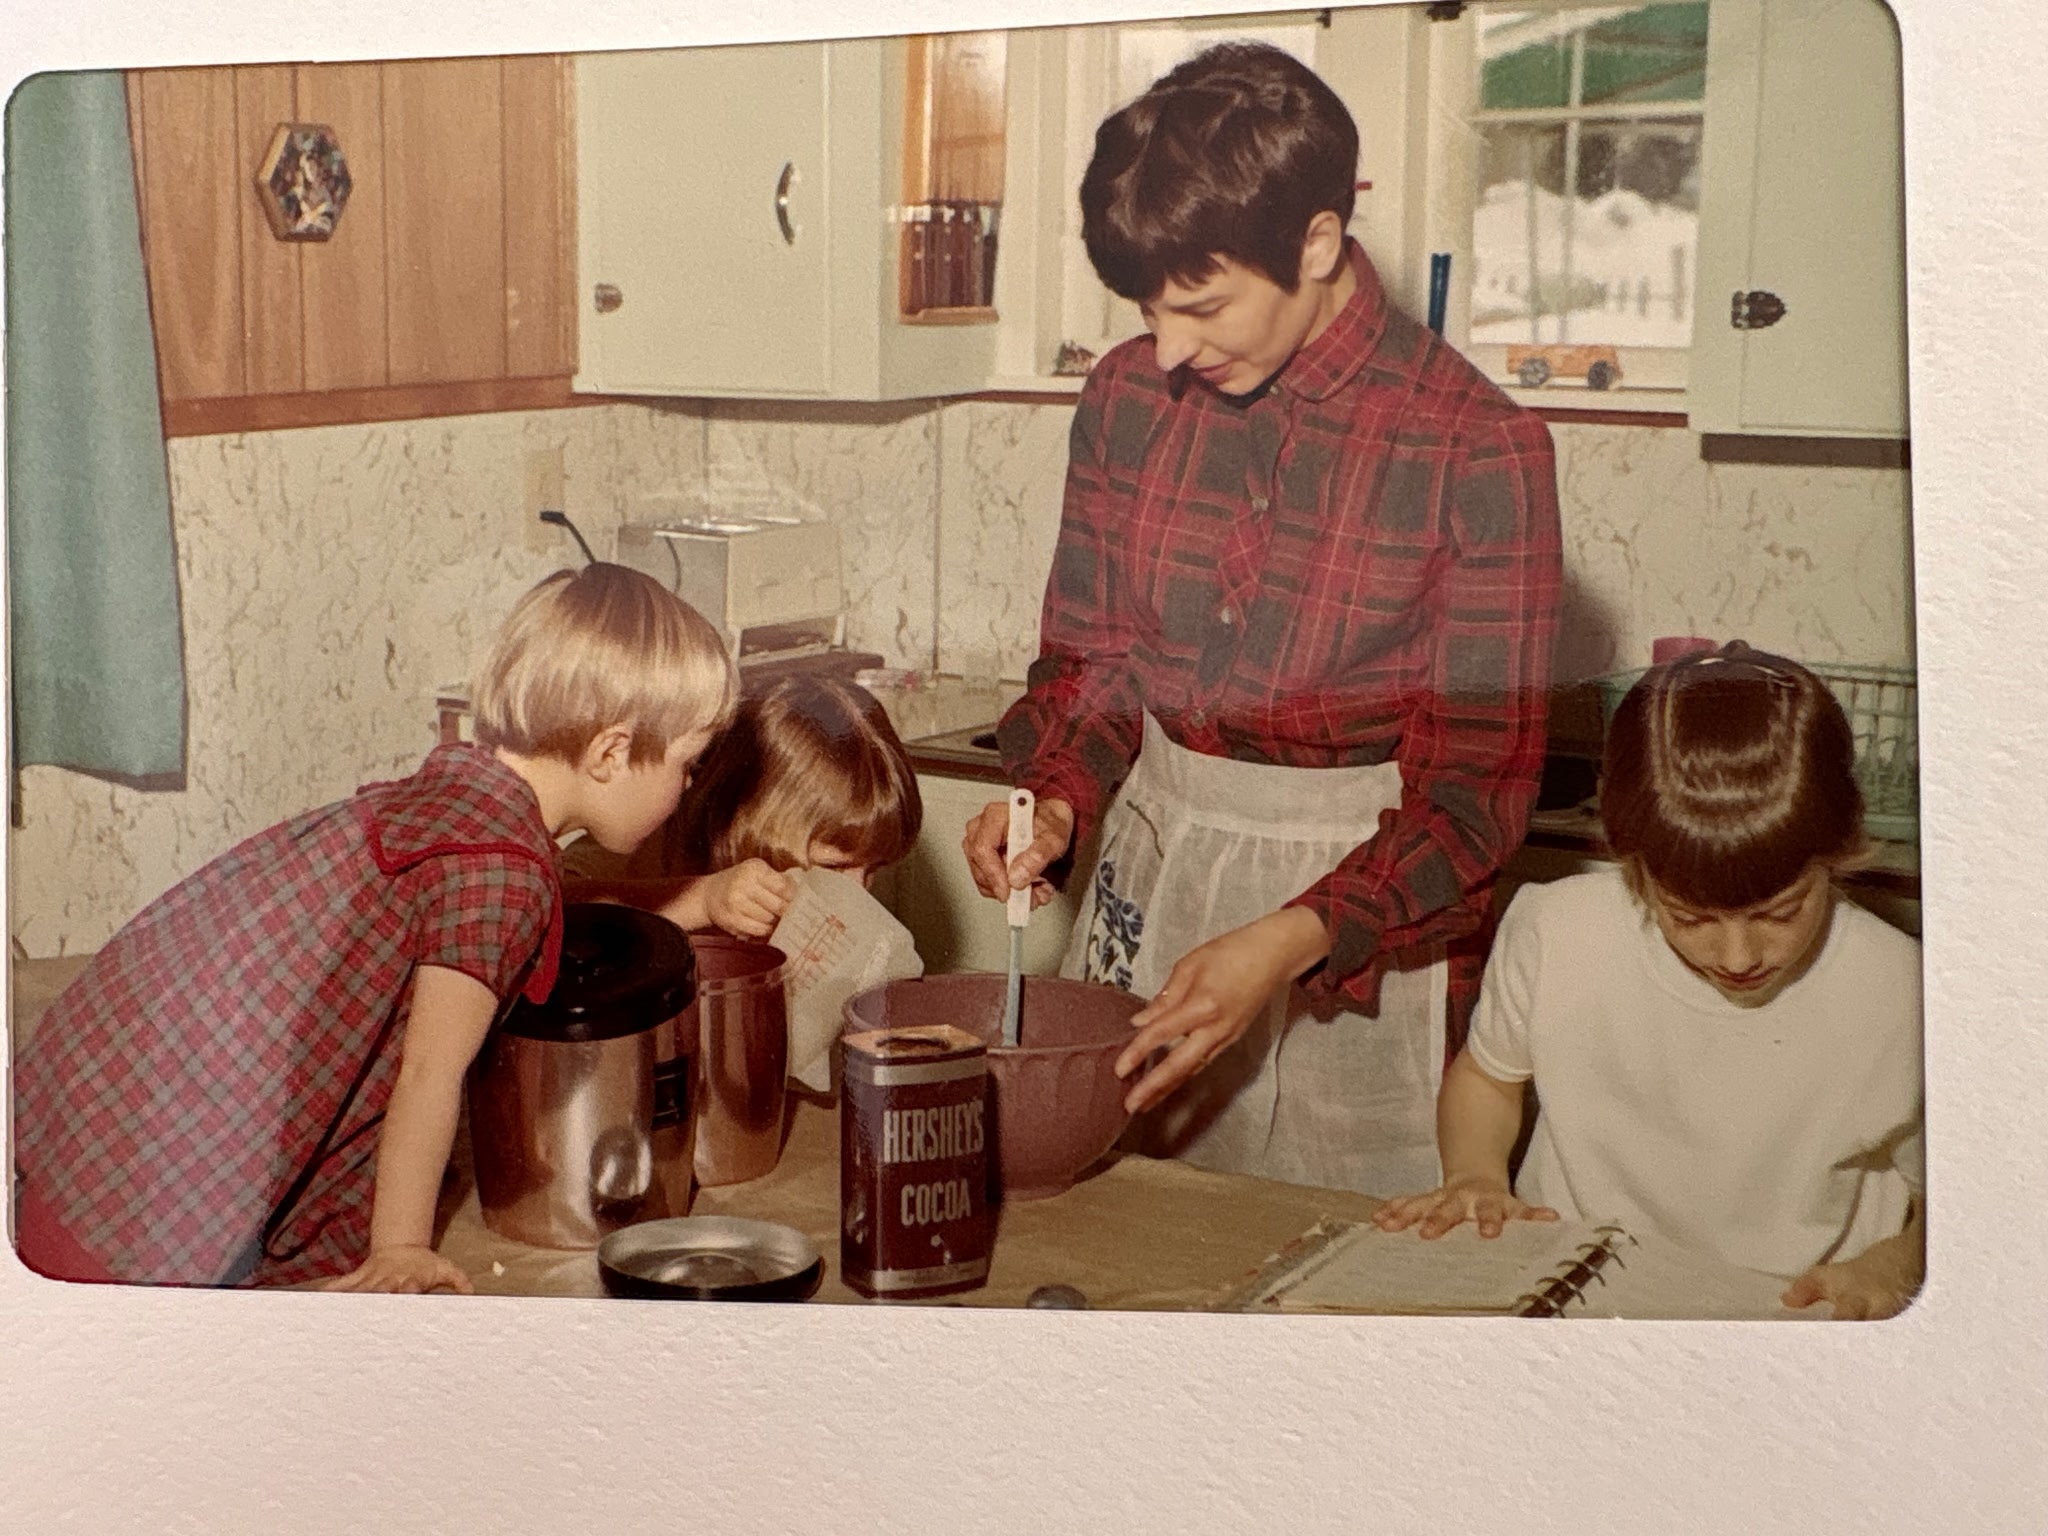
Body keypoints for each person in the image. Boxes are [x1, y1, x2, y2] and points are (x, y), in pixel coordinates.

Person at [962, 42, 1563, 1196]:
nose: (1168, 346)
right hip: (1157, 863)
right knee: (1129, 1224)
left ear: (1318, 244)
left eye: (1199, 304)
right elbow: (1093, 667)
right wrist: (1048, 799)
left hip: (1353, 931)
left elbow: (1470, 808)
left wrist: (1285, 942)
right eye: (1147, 308)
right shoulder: (1128, 395)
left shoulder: (1473, 447)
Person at [12, 564, 736, 1293]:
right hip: (135, 1208)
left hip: (94, 1120)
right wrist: (399, 1250)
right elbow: (430, 1073)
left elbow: (547, 927)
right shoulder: (501, 874)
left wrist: (697, 902)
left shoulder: (460, 801)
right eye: (688, 764)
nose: (685, 790)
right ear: (611, 753)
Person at [1372, 645, 1925, 1320]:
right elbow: (1488, 1077)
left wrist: (1894, 1264)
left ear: (1839, 853)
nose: (1738, 954)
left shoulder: (1901, 990)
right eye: (1689, 916)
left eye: (1781, 913)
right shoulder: (1558, 930)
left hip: (1783, 1314)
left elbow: (1962, 1199)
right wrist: (1474, 1174)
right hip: (1577, 1294)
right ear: (1631, 863)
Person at [563, 674, 923, 938]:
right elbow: (552, 911)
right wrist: (704, 899)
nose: (859, 894)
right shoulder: (635, 844)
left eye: (873, 870)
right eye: (835, 867)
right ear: (748, 822)